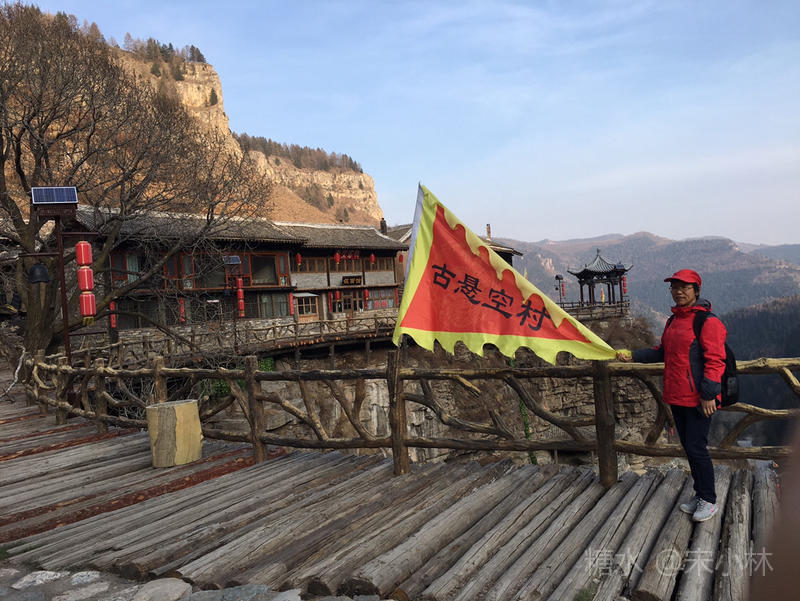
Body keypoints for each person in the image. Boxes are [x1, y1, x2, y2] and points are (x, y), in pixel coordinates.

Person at [617, 268, 726, 522]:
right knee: (689, 447)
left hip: (699, 398)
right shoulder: (673, 321)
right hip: (677, 396)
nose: (679, 292)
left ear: (696, 291)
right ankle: (700, 494)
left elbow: (715, 360)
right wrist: (634, 355)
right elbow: (661, 352)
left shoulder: (707, 322)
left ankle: (709, 500)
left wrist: (709, 393)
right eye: (675, 287)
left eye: (684, 287)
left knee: (697, 448)